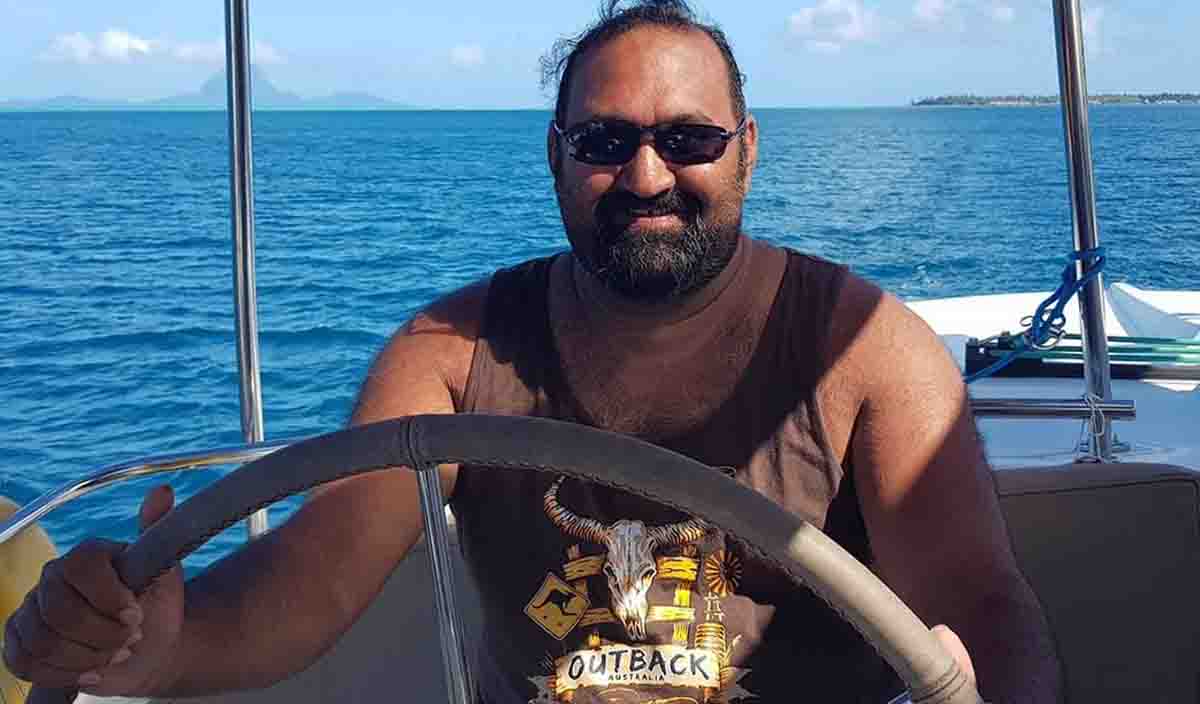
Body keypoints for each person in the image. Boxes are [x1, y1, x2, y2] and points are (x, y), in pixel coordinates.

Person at [3, 1, 1060, 702]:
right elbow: (310, 582)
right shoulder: (450, 355)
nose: (647, 175)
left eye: (689, 139)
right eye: (604, 141)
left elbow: (979, 607)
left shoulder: (869, 352)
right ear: (556, 156)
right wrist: (161, 643)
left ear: (747, 151)